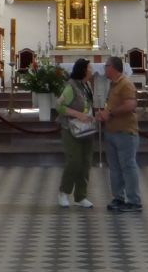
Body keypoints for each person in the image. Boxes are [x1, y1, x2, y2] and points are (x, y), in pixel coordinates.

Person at [96, 56, 141, 212]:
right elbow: (112, 105)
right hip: (112, 131)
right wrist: (104, 113)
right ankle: (118, 197)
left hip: (125, 132)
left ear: (113, 68)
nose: (104, 69)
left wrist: (111, 113)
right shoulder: (113, 84)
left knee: (128, 167)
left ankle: (134, 201)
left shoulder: (125, 84)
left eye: (106, 66)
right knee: (115, 168)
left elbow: (130, 104)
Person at [56, 58, 95, 209]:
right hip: (70, 128)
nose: (91, 70)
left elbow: (88, 104)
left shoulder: (87, 85)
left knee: (86, 162)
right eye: (89, 68)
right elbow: (59, 106)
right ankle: (64, 192)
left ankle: (81, 196)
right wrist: (78, 115)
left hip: (86, 128)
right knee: (74, 161)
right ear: (83, 70)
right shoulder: (71, 86)